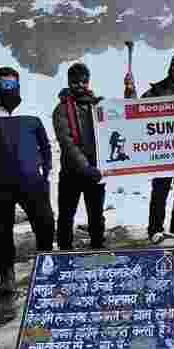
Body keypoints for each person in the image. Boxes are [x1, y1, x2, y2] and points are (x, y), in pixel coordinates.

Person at [0, 67, 55, 296]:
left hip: (32, 183)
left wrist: (45, 174)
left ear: (18, 85)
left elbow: (45, 145)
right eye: (3, 84)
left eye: (12, 84)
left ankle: (46, 270)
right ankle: (7, 280)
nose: (8, 88)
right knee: (2, 234)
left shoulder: (32, 111)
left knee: (45, 225)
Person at [125, 51, 174, 242]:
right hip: (163, 151)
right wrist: (130, 92)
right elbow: (136, 108)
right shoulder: (157, 91)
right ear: (170, 69)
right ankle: (155, 230)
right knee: (159, 192)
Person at [52, 62, 106, 250]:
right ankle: (64, 251)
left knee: (96, 214)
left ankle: (98, 247)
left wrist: (129, 92)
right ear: (69, 82)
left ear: (88, 82)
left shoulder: (98, 106)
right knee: (67, 215)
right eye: (75, 82)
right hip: (72, 172)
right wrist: (86, 167)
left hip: (95, 170)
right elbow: (67, 142)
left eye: (84, 81)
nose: (80, 85)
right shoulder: (61, 109)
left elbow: (123, 118)